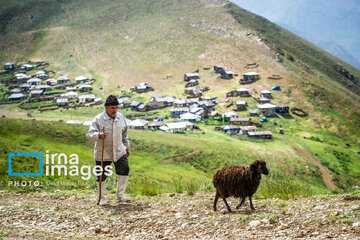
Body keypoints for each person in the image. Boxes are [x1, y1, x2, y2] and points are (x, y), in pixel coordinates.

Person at [86, 95, 131, 205]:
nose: (114, 110)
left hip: (120, 150)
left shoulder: (121, 117)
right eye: (112, 108)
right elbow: (89, 134)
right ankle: (102, 198)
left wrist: (126, 147)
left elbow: (124, 134)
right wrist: (98, 135)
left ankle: (120, 195)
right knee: (101, 175)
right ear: (106, 107)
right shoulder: (98, 119)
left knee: (124, 169)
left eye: (116, 107)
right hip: (103, 152)